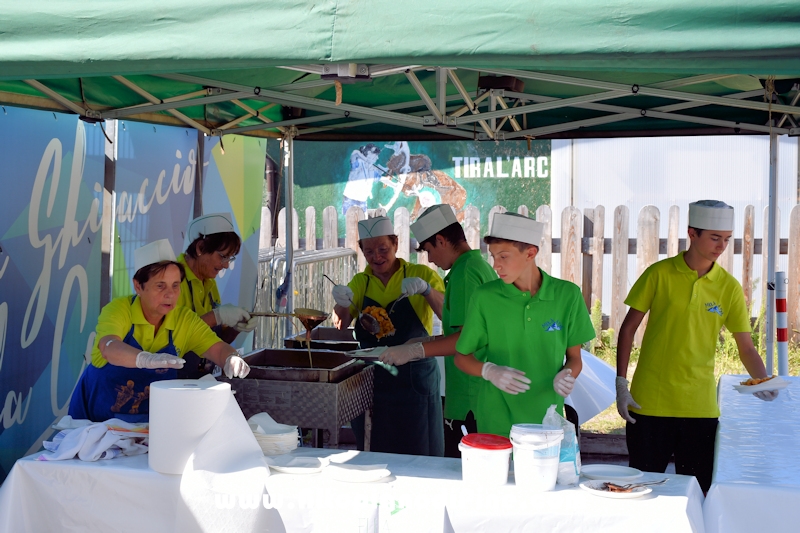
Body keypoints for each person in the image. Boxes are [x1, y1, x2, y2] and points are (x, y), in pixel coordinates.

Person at [615, 200, 780, 493]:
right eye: (715, 238)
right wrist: (620, 383)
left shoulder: (727, 286)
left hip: (700, 407)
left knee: (697, 489)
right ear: (692, 233)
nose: (721, 246)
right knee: (640, 487)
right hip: (649, 401)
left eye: (727, 239)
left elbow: (746, 348)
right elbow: (628, 329)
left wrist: (763, 381)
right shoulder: (658, 273)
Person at [68, 239, 250, 423]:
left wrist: (231, 358)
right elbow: (109, 347)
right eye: (160, 286)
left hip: (149, 426)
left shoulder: (184, 319)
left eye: (175, 285)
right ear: (138, 286)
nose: (170, 294)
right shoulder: (118, 310)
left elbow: (217, 349)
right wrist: (145, 359)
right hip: (96, 425)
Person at [452, 212, 595, 437]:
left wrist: (567, 375)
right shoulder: (484, 297)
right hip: (495, 418)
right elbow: (461, 357)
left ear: (530, 253)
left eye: (503, 256)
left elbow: (575, 358)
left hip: (547, 418)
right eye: (493, 256)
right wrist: (489, 371)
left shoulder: (568, 295)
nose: (496, 265)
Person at [378, 204, 497, 457]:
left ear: (441, 240)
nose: (430, 259)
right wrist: (426, 340)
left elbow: (466, 340)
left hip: (470, 397)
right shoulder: (477, 265)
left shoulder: (465, 272)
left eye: (429, 250)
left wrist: (415, 350)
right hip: (477, 392)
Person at [331, 215, 446, 456]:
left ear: (395, 243)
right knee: (375, 450)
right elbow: (341, 324)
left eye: (383, 249)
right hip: (374, 383)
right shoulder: (361, 282)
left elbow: (449, 314)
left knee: (420, 451)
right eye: (369, 252)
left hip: (415, 380)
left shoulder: (421, 274)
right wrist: (341, 303)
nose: (377, 257)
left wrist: (426, 291)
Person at [177, 213, 256, 378]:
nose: (226, 265)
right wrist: (216, 316)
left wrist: (236, 328)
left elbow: (216, 340)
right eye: (222, 256)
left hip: (202, 377)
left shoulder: (209, 283)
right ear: (200, 248)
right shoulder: (174, 280)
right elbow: (176, 338)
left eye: (230, 258)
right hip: (173, 379)